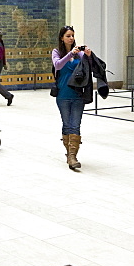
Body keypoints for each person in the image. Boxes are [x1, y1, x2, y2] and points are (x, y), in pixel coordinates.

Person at [52, 25, 91, 170]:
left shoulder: (78, 54)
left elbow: (89, 65)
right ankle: (69, 153)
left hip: (77, 94)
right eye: (68, 36)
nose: (71, 38)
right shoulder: (56, 52)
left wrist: (88, 55)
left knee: (75, 125)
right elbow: (58, 65)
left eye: (72, 35)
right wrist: (69, 54)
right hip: (62, 94)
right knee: (66, 124)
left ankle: (73, 156)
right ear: (62, 38)